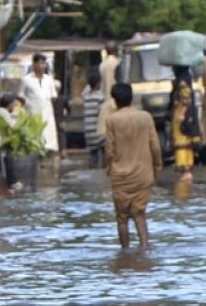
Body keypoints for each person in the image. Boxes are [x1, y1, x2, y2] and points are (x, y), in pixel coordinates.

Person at [104, 82, 163, 250]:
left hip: (121, 175)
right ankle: (145, 247)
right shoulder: (145, 117)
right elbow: (155, 146)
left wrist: (108, 168)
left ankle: (125, 252)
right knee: (140, 213)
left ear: (115, 100)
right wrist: (157, 166)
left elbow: (110, 151)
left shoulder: (112, 120)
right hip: (143, 174)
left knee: (122, 217)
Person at [20, 53, 61, 155]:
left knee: (49, 140)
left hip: (47, 114)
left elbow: (53, 96)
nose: (43, 66)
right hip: (33, 114)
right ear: (34, 64)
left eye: (44, 64)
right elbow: (20, 97)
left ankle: (48, 157)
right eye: (40, 63)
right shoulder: (26, 80)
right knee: (35, 140)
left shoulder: (49, 79)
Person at [171, 78, 197, 180]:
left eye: (188, 98)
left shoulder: (190, 109)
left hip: (186, 134)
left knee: (186, 151)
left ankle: (187, 170)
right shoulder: (178, 108)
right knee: (181, 152)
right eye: (185, 99)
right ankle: (183, 170)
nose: (187, 101)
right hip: (179, 135)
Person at [0, 93, 20, 177]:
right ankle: (9, 180)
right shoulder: (3, 112)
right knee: (9, 157)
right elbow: (13, 126)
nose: (14, 107)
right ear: (9, 104)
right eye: (14, 104)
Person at [82, 70, 106, 167]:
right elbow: (102, 113)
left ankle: (92, 169)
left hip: (88, 131)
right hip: (98, 130)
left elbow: (84, 91)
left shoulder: (86, 97)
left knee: (93, 153)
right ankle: (105, 169)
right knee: (104, 151)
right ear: (97, 84)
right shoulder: (100, 97)